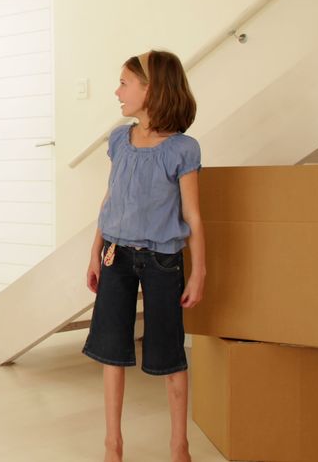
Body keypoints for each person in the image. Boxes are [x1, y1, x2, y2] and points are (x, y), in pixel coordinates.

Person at [82, 50, 207, 462]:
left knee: (169, 355)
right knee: (111, 350)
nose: (117, 91)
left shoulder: (182, 150)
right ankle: (112, 444)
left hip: (162, 262)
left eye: (124, 82)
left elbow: (192, 214)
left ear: (150, 89)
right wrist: (95, 250)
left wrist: (199, 271)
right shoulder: (120, 138)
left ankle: (179, 446)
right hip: (115, 256)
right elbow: (111, 198)